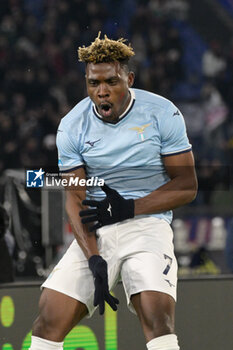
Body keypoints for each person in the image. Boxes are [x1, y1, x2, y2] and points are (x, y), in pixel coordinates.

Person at [29, 33, 197, 350]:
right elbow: (74, 196)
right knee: (47, 323)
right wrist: (94, 260)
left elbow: (187, 186)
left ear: (128, 79)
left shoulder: (163, 113)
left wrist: (130, 208)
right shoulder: (71, 125)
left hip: (148, 224)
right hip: (97, 226)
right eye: (94, 83)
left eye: (111, 81)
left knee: (158, 321)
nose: (102, 91)